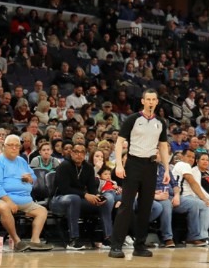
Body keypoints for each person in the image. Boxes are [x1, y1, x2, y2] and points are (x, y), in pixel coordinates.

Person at [107, 89, 171, 259]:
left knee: (145, 206)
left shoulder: (161, 122)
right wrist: (119, 165)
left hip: (151, 165)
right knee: (126, 205)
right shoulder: (133, 119)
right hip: (133, 163)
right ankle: (115, 246)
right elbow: (120, 143)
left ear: (157, 102)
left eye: (153, 99)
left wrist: (166, 169)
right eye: (148, 99)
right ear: (143, 101)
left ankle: (140, 245)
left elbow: (163, 147)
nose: (150, 102)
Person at [0, 135, 53, 251]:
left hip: (25, 200)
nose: (14, 148)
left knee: (42, 211)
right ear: (4, 147)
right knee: (5, 208)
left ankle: (35, 241)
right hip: (1, 198)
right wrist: (9, 201)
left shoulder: (21, 161)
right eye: (11, 145)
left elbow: (33, 177)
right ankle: (17, 241)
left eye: (17, 146)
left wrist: (30, 179)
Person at [51, 143, 113, 250]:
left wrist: (96, 196)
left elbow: (92, 188)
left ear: (85, 154)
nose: (79, 155)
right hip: (59, 199)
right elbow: (64, 189)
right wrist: (85, 195)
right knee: (74, 198)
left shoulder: (88, 167)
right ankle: (73, 240)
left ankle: (108, 238)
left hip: (79, 200)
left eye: (82, 152)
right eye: (76, 152)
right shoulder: (63, 166)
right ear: (71, 153)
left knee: (103, 202)